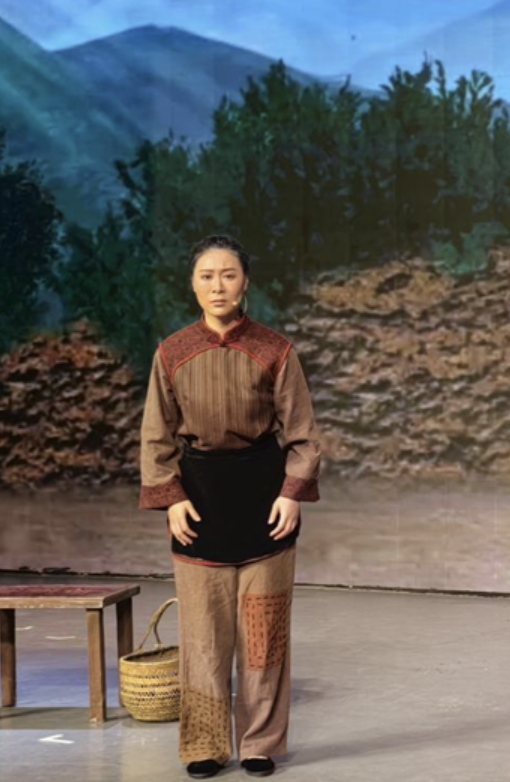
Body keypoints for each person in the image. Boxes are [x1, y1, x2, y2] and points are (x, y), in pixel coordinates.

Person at [139, 235, 322, 779]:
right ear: (192, 285)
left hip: (265, 502)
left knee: (263, 634)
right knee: (203, 636)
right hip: (199, 504)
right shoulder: (172, 352)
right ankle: (205, 744)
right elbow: (156, 436)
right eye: (206, 276)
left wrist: (291, 494)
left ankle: (260, 742)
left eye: (228, 275)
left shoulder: (275, 350)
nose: (217, 286)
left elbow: (303, 435)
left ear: (245, 283)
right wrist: (171, 499)